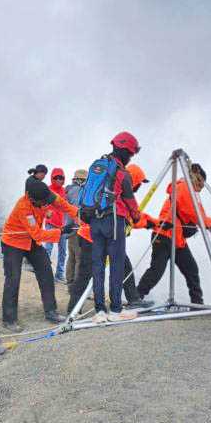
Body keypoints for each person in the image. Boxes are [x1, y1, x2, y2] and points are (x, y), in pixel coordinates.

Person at [136, 163, 211, 305]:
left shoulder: (190, 193)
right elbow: (195, 214)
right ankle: (137, 296)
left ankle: (197, 303)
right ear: (194, 176)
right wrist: (209, 225)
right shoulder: (183, 187)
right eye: (200, 183)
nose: (200, 188)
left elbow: (199, 214)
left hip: (178, 239)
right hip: (164, 235)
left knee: (191, 269)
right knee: (157, 270)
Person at [67, 164, 156, 313]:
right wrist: (152, 223)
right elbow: (132, 218)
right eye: (139, 183)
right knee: (86, 274)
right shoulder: (118, 194)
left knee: (124, 267)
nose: (139, 186)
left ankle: (133, 299)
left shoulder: (111, 189)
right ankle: (73, 309)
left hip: (98, 236)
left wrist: (151, 222)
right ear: (133, 180)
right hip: (94, 237)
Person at [1, 177, 78, 331]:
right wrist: (61, 231)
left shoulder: (45, 194)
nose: (46, 204)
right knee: (13, 279)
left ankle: (51, 311)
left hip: (32, 243)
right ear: (31, 198)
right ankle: (9, 319)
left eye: (46, 201)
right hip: (13, 242)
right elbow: (37, 234)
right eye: (43, 203)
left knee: (46, 273)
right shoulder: (23, 208)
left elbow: (62, 204)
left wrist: (79, 214)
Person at [86, 132, 142, 323]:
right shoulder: (121, 173)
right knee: (116, 265)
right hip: (114, 221)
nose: (131, 157)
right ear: (125, 151)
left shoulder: (97, 166)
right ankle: (116, 310)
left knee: (98, 265)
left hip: (95, 221)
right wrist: (137, 217)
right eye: (131, 154)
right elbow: (130, 200)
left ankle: (100, 311)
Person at [44, 167, 68, 282]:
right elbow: (41, 205)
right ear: (52, 178)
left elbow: (67, 208)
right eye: (56, 177)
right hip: (50, 224)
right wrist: (46, 214)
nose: (59, 180)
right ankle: (45, 272)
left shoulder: (64, 191)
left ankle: (59, 275)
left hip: (62, 226)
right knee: (48, 248)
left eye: (61, 178)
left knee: (63, 251)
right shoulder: (47, 190)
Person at [64, 169, 87, 285]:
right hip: (77, 227)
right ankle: (77, 283)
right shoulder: (78, 191)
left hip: (69, 227)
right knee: (79, 257)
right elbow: (79, 208)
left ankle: (69, 279)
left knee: (71, 255)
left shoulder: (69, 190)